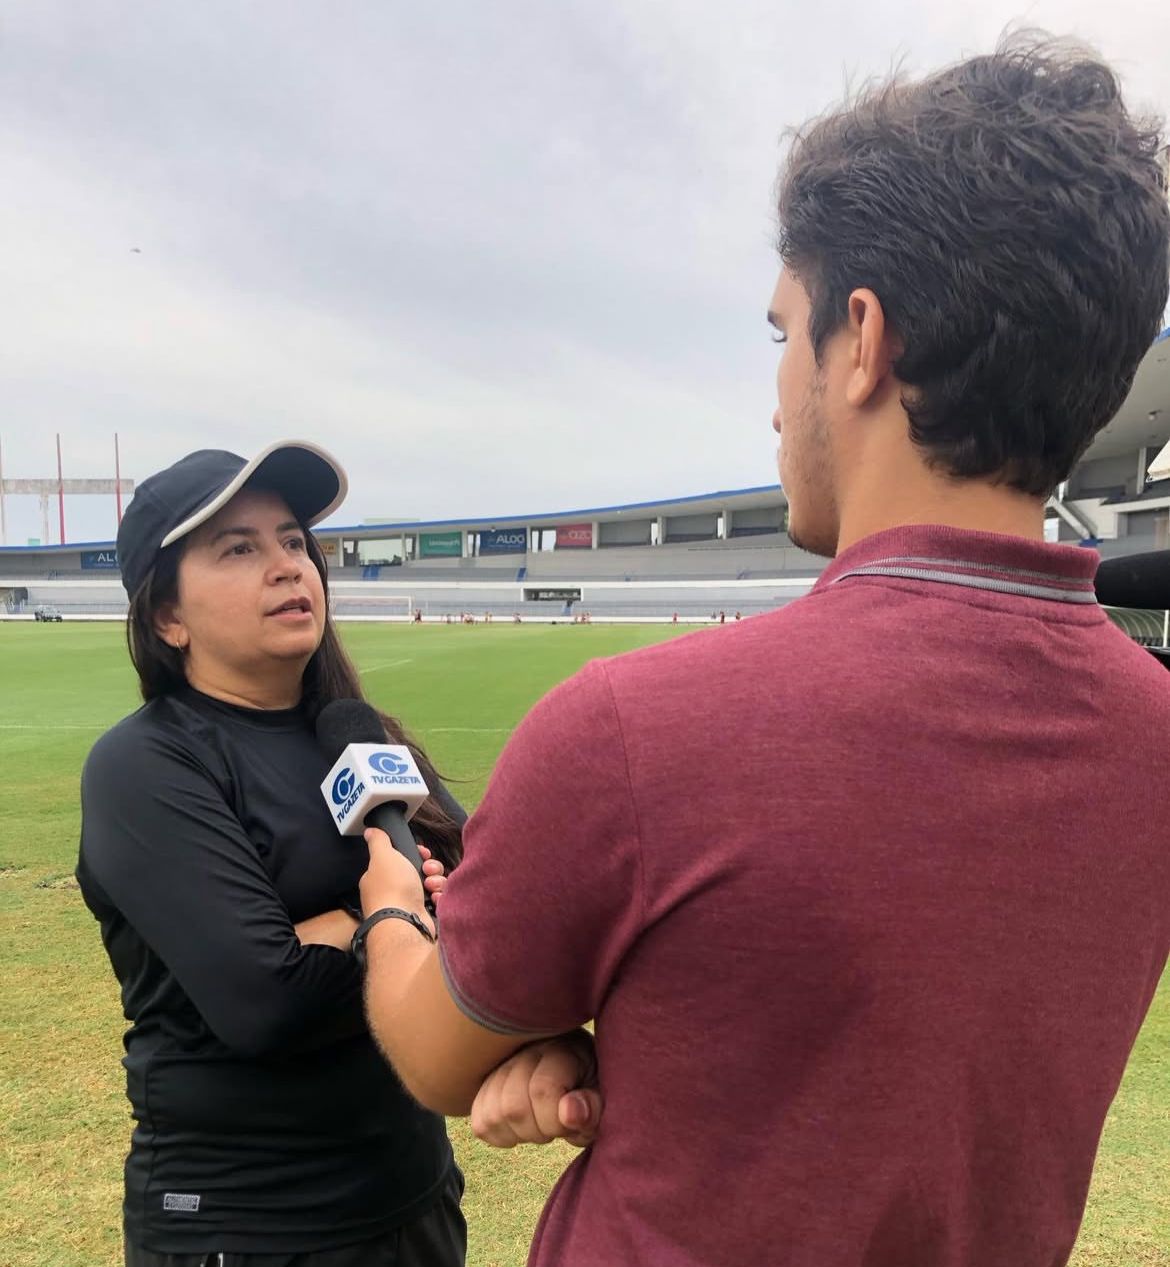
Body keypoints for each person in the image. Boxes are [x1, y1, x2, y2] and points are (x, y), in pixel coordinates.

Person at [349, 38, 1170, 1267]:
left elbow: (430, 1048)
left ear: (864, 341)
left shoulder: (635, 728)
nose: (777, 398)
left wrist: (385, 905)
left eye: (781, 335)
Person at [76, 442, 470, 1267]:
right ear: (166, 617)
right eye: (239, 548)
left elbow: (488, 903)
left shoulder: (363, 736)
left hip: (414, 1200)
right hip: (250, 1227)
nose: (287, 566)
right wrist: (394, 911)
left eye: (293, 540)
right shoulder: (145, 766)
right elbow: (265, 999)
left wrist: (355, 920)